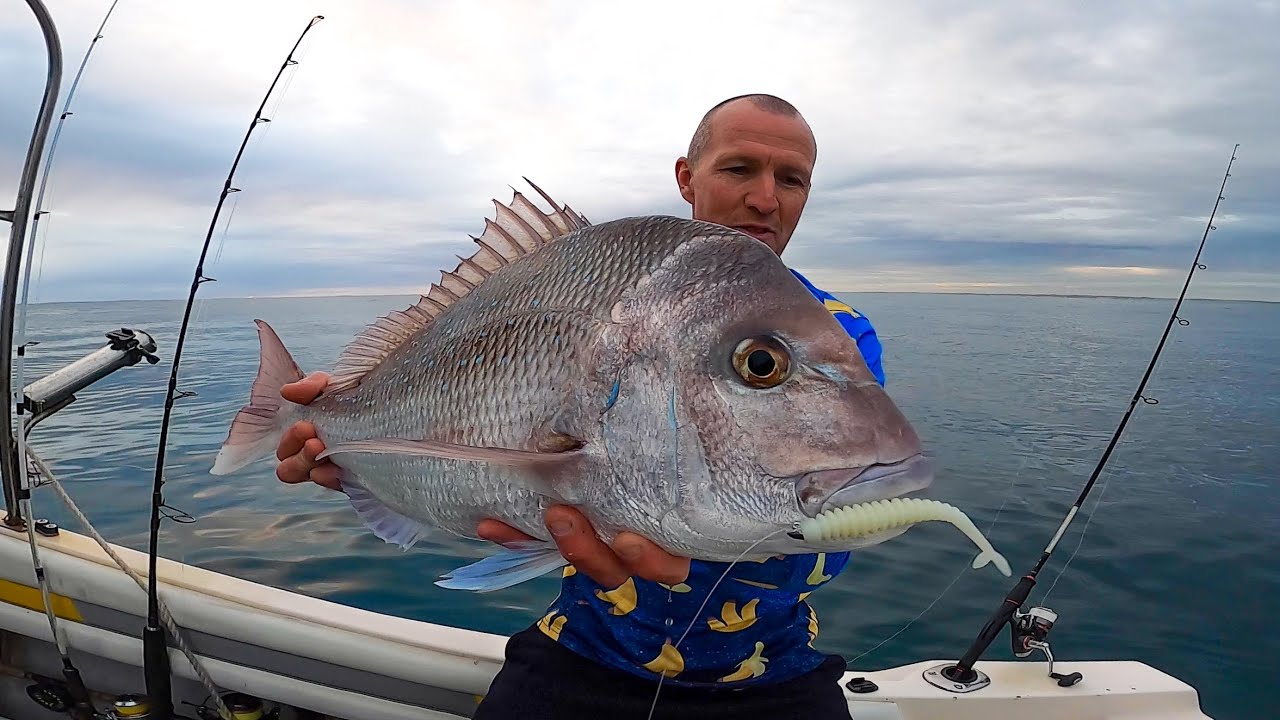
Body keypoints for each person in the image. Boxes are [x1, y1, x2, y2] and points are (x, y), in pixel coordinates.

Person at [274, 94, 885, 719]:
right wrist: (354, 452)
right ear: (686, 177)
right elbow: (467, 447)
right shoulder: (602, 291)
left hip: (771, 670)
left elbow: (846, 512)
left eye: (791, 179)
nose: (765, 198)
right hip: (585, 649)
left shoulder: (836, 333)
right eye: (738, 169)